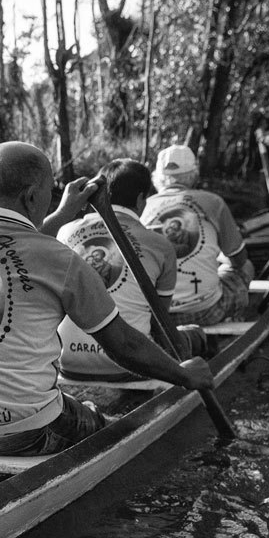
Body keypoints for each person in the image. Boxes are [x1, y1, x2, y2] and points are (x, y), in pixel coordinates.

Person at [0, 141, 213, 458]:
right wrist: (185, 376)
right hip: (28, 432)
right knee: (98, 423)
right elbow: (124, 346)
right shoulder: (60, 259)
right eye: (50, 190)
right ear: (32, 196)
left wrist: (63, 214)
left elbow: (13, 244)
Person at [57, 159, 205, 380]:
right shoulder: (160, 244)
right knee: (196, 335)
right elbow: (159, 324)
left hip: (66, 361)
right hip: (130, 366)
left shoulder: (65, 231)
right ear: (140, 199)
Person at [141, 145, 254, 327]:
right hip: (205, 312)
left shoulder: (143, 207)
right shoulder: (213, 202)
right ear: (194, 174)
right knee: (246, 267)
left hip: (156, 316)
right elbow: (239, 260)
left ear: (157, 178)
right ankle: (237, 316)